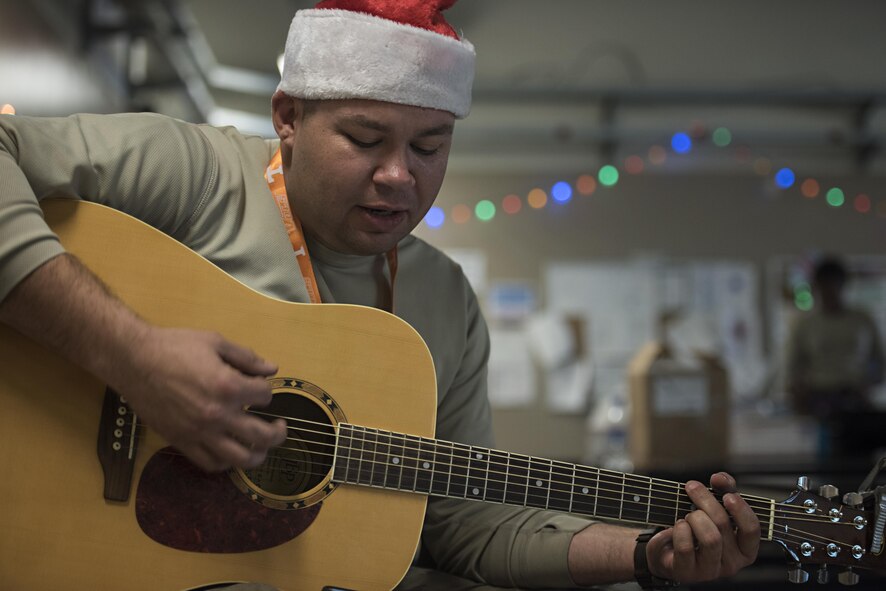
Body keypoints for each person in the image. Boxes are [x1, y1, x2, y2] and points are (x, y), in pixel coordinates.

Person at [0, 1, 760, 589]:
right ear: (287, 117)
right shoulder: (201, 176)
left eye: (430, 146)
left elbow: (465, 522)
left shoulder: (444, 299)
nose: (401, 175)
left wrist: (646, 552)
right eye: (365, 140)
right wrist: (132, 357)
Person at [785, 255, 884, 456]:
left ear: (843, 285)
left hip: (855, 398)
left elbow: (880, 362)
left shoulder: (861, 320)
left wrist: (869, 384)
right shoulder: (807, 324)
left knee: (858, 459)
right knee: (826, 459)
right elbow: (794, 367)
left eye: (834, 285)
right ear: (817, 287)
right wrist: (798, 396)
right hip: (820, 400)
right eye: (824, 286)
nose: (829, 291)